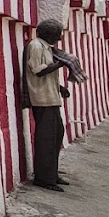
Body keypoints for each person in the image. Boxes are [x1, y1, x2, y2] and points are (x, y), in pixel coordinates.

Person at [24, 20, 73, 191]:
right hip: (42, 99)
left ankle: (51, 174)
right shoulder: (36, 46)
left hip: (51, 97)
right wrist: (62, 63)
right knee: (46, 139)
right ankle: (44, 178)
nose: (60, 37)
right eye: (58, 33)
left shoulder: (45, 47)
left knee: (56, 136)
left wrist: (60, 88)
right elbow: (38, 71)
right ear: (49, 33)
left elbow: (45, 73)